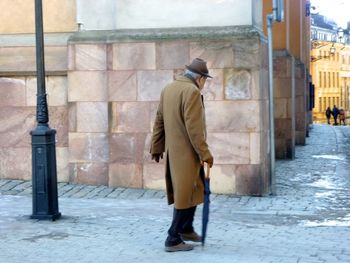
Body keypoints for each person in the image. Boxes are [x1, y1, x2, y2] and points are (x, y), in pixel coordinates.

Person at [150, 58, 214, 252]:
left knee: (194, 190)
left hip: (175, 153)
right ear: (200, 79)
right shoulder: (192, 92)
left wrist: (156, 146)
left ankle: (186, 228)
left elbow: (159, 120)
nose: (204, 85)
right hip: (188, 154)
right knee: (185, 194)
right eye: (205, 80)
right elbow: (194, 129)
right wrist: (206, 154)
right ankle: (173, 238)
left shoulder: (168, 89)